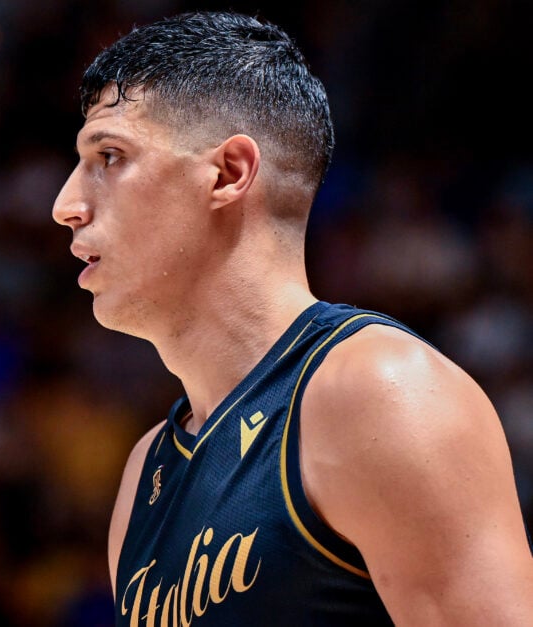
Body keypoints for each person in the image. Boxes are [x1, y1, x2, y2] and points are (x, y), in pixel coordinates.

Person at [51, 10, 533, 626]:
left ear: (228, 174)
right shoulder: (147, 470)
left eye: (110, 156)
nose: (66, 204)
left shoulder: (379, 393)